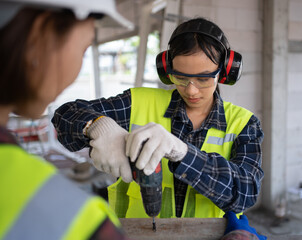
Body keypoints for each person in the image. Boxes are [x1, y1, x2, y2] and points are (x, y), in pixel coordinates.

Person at [52, 17, 264, 219]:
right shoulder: (138, 102)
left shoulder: (244, 123)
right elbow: (66, 114)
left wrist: (183, 154)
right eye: (180, 77)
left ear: (225, 72)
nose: (191, 90)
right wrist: (96, 126)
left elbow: (245, 193)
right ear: (167, 70)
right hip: (137, 234)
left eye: (203, 78)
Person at [0, 0, 134, 239]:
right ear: (38, 36)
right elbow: (67, 113)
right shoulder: (79, 222)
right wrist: (96, 125)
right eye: (83, 49)